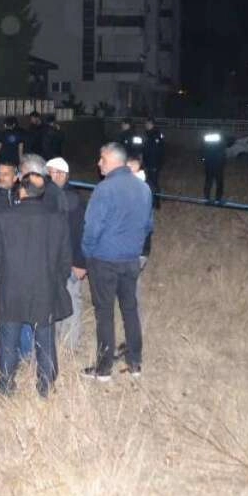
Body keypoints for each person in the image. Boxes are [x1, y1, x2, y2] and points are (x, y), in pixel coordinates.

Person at [0, 178, 73, 397]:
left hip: (11, 288)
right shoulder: (57, 219)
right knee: (45, 341)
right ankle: (45, 388)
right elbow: (65, 260)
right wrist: (57, 282)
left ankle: (5, 387)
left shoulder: (5, 217)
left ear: (22, 191)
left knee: (8, 342)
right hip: (44, 289)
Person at [80, 142, 153, 381]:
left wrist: (87, 253)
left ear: (114, 160)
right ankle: (135, 362)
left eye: (102, 159)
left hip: (104, 260)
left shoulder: (104, 189)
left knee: (104, 313)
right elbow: (148, 225)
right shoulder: (144, 188)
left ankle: (103, 369)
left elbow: (92, 228)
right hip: (131, 260)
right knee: (130, 309)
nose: (98, 163)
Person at [47, 157, 88, 352]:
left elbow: (82, 232)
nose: (49, 177)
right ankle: (55, 342)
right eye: (48, 173)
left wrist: (80, 262)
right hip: (54, 261)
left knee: (71, 300)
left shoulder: (73, 199)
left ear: (63, 175)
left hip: (71, 262)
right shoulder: (50, 196)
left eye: (52, 173)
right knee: (54, 300)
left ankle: (70, 345)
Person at [142, 117, 166, 209]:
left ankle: (156, 202)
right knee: (150, 182)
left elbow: (157, 151)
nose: (146, 125)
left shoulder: (156, 135)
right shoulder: (148, 134)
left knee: (154, 182)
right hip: (149, 162)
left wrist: (156, 163)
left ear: (151, 124)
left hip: (153, 162)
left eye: (147, 124)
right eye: (145, 124)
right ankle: (152, 200)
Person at [201, 131, 227, 202]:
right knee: (219, 181)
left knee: (209, 180)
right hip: (218, 163)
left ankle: (206, 197)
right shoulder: (220, 136)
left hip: (209, 163)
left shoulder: (207, 137)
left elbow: (203, 150)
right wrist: (223, 162)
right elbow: (223, 149)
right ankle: (218, 198)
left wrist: (203, 160)